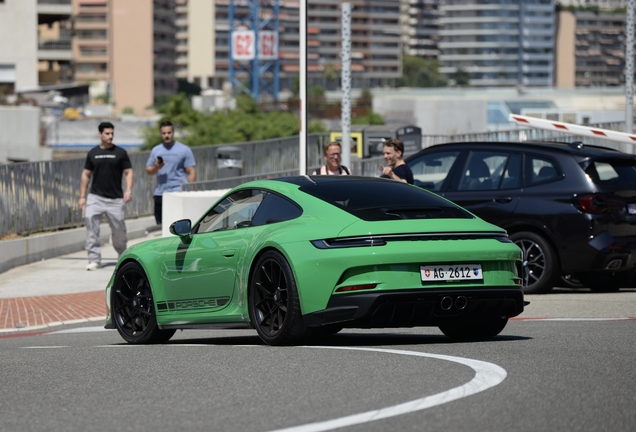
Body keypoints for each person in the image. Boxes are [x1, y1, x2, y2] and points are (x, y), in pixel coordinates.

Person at [79, 122, 134, 271]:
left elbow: (129, 172)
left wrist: (128, 190)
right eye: (107, 133)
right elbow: (86, 174)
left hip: (115, 199)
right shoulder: (92, 153)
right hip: (95, 197)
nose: (110, 136)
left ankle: (122, 255)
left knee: (119, 230)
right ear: (100, 134)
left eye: (112, 133)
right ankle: (94, 259)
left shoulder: (120, 153)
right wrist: (82, 196)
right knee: (91, 226)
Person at [146, 121, 196, 224]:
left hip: (178, 191)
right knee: (161, 225)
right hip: (161, 192)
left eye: (169, 132)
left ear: (173, 132)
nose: (167, 135)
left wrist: (192, 189)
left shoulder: (184, 149)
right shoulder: (156, 150)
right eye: (164, 133)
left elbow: (190, 171)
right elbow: (149, 171)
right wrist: (156, 167)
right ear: (160, 134)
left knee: (178, 224)